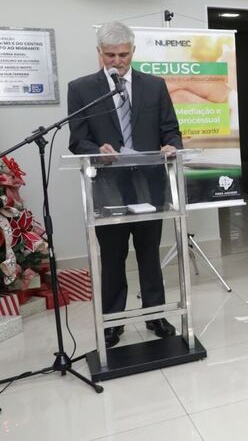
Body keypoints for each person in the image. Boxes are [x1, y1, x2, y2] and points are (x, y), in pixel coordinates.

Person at [67, 21, 181, 348]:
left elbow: (170, 129)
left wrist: (171, 145)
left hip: (150, 185)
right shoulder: (82, 89)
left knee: (149, 252)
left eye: (124, 54)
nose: (117, 61)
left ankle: (155, 314)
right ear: (99, 53)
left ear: (133, 51)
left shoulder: (154, 86)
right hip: (108, 187)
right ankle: (113, 320)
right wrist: (97, 151)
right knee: (113, 255)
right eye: (110, 55)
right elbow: (78, 141)